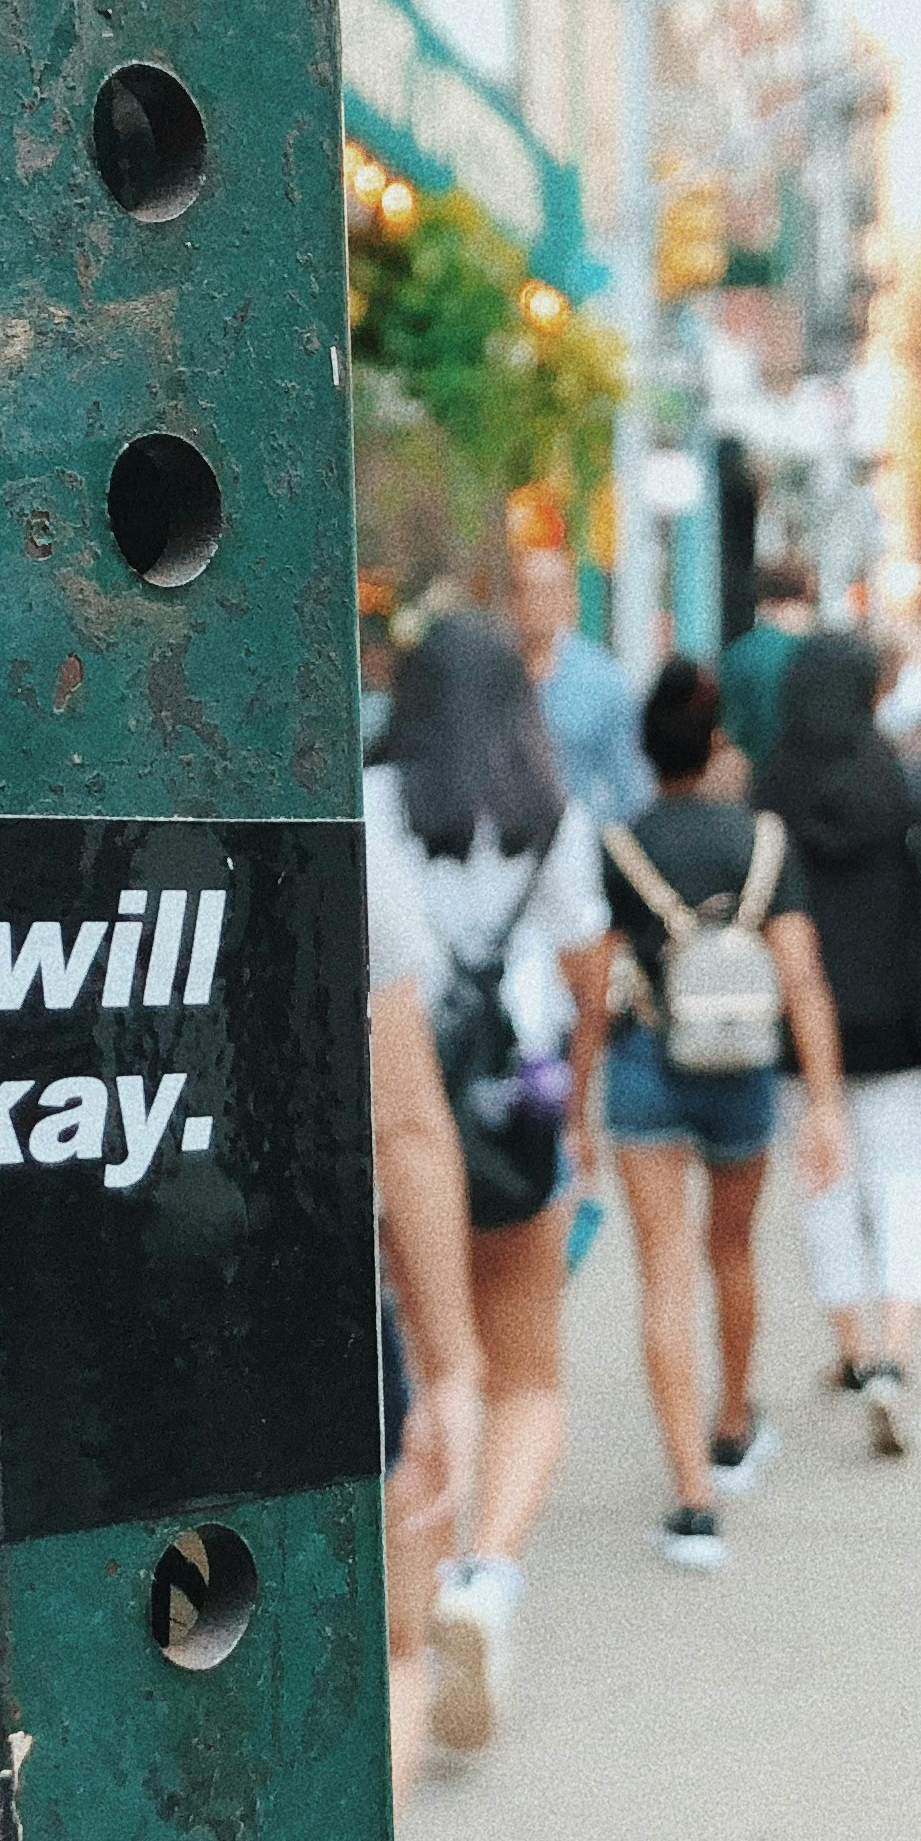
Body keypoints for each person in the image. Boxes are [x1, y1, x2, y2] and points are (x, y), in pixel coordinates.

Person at [366, 609, 611, 1746]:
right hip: (515, 1115)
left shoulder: (366, 804)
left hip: (395, 1119)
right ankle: (488, 1578)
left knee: (422, 1373)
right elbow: (587, 968)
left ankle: (410, 1630)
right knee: (527, 1379)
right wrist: (584, 1112)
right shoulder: (547, 810)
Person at [598, 654, 846, 1568]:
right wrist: (824, 1105)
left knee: (663, 1272)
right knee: (732, 1252)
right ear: (715, 745)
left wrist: (573, 1107)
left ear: (646, 748)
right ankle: (733, 1425)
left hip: (646, 1067)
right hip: (742, 1069)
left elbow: (590, 985)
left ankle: (692, 1499)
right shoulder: (763, 843)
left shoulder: (620, 845)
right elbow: (802, 978)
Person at [762, 631, 921, 1458]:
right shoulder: (910, 780)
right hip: (906, 1021)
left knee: (824, 1185)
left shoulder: (770, 790)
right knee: (905, 1181)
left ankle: (854, 1352)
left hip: (804, 1028)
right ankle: (896, 1355)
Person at [365, 834, 485, 1806]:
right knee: (386, 1647)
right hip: (299, 1316)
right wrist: (451, 1367)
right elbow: (403, 1127)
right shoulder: (322, 820)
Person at [509, 539, 646, 832]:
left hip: (578, 843)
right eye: (528, 590)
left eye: (550, 591)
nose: (538, 603)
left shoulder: (604, 680)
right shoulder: (492, 677)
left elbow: (629, 784)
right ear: (513, 600)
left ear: (571, 598)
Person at [710, 550, 817, 780]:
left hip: (752, 780)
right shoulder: (813, 655)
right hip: (805, 779)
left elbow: (726, 729)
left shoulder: (736, 654)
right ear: (803, 598)